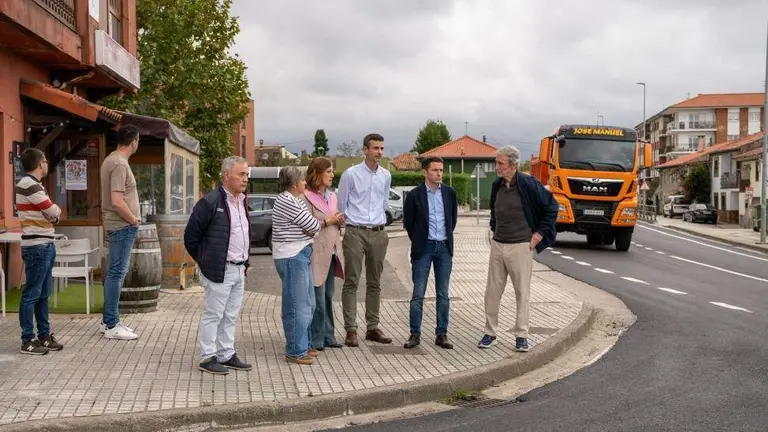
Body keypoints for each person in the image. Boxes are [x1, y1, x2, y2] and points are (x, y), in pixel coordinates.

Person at [479, 145, 558, 353]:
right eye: (496, 162)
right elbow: (494, 211)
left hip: (521, 245)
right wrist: (493, 228)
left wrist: (538, 235)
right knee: (492, 292)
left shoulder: (528, 184)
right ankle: (490, 332)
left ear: (512, 165)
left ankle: (521, 335)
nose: (496, 167)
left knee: (522, 292)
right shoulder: (497, 185)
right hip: (498, 244)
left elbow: (552, 207)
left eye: (500, 163)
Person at [184, 156, 253, 375]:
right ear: (226, 175)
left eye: (246, 174)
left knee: (231, 314)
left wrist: (245, 261)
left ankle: (226, 354)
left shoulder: (242, 200)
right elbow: (191, 237)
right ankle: (207, 357)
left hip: (239, 268)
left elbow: (241, 233)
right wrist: (205, 260)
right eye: (241, 174)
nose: (245, 179)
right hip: (219, 268)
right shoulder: (211, 202)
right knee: (214, 314)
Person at [337, 133, 392, 347]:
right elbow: (341, 205)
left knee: (375, 282)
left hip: (378, 232)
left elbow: (384, 201)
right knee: (351, 280)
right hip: (355, 231)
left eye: (382, 148)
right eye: (376, 148)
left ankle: (372, 327)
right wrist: (351, 224)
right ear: (365, 150)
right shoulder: (350, 174)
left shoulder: (386, 175)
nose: (379, 152)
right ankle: (351, 329)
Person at [402, 157, 458, 350]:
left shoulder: (450, 193)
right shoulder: (415, 195)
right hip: (423, 248)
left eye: (441, 170)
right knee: (418, 293)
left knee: (443, 294)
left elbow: (452, 221)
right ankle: (414, 334)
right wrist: (419, 240)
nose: (439, 174)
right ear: (425, 172)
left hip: (444, 248)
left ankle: (441, 334)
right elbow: (409, 223)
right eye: (434, 170)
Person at [272, 166, 322, 365]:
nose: (305, 183)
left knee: (308, 303)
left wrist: (311, 229)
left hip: (300, 255)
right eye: (302, 180)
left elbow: (312, 227)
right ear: (294, 184)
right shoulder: (287, 201)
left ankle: (304, 344)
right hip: (293, 256)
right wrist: (310, 229)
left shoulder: (295, 200)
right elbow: (314, 226)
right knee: (297, 306)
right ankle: (295, 350)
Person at [15, 148, 63, 355]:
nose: (47, 164)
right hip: (37, 246)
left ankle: (43, 335)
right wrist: (54, 213)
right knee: (32, 294)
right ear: (40, 163)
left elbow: (52, 214)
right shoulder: (30, 185)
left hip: (44, 244)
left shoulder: (33, 185)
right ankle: (27, 339)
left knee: (43, 294)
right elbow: (53, 211)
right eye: (46, 160)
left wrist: (53, 214)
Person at [100, 124, 142, 340]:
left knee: (114, 272)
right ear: (134, 141)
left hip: (119, 225)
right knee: (117, 272)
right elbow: (117, 200)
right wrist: (133, 219)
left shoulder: (113, 160)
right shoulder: (118, 163)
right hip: (122, 225)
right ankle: (111, 324)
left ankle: (107, 320)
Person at [300, 157, 345, 351]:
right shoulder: (305, 198)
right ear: (317, 173)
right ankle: (316, 339)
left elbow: (335, 221)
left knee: (327, 296)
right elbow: (306, 227)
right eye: (328, 171)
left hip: (333, 252)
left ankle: (329, 336)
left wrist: (339, 221)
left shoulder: (332, 196)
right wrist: (329, 221)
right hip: (316, 253)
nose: (332, 175)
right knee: (316, 299)